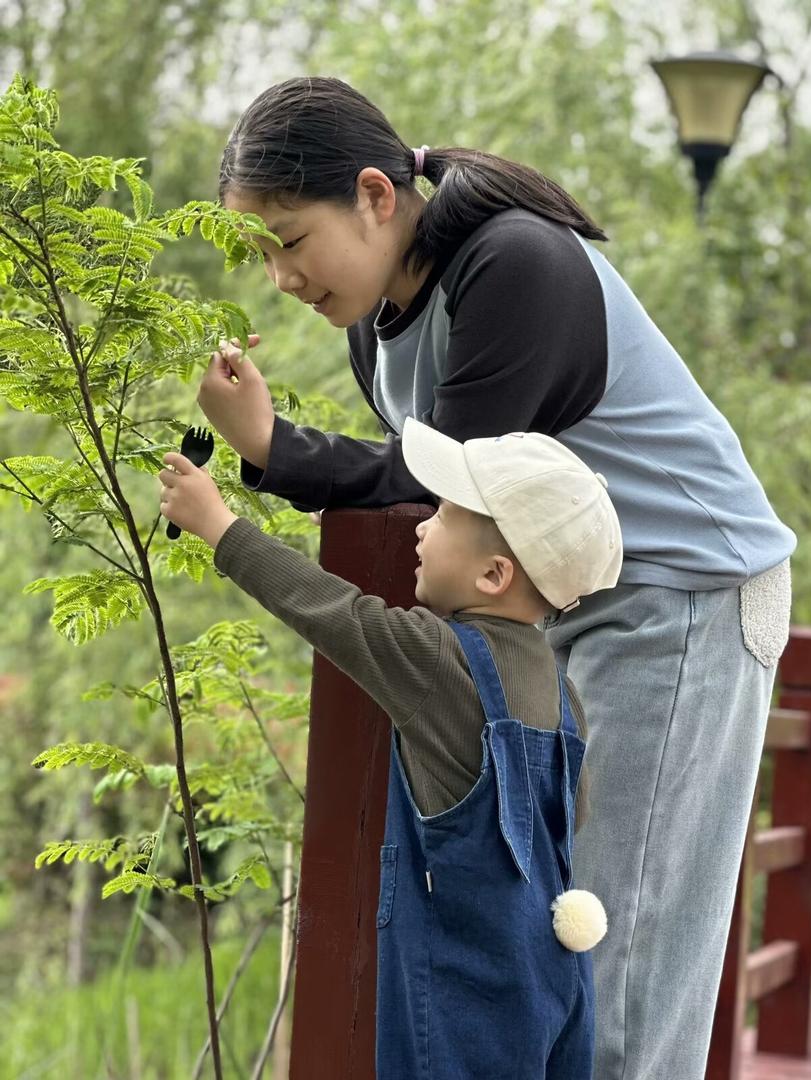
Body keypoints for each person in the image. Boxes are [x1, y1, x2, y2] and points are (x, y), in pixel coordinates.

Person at [200, 75, 796, 1080]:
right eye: (261, 254)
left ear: (376, 196)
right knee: (549, 960)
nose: (280, 278)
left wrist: (271, 448)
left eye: (291, 240)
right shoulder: (376, 322)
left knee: (617, 971)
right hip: (557, 615)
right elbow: (444, 487)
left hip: (681, 598)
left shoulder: (516, 265)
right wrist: (274, 450)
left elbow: (446, 468)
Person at [159, 417, 621, 1079]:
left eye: (444, 515)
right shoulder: (562, 693)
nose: (422, 526)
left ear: (493, 574)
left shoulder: (434, 659)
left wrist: (218, 525)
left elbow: (331, 611)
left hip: (463, 1002)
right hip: (556, 990)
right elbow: (566, 824)